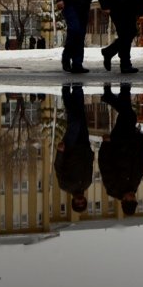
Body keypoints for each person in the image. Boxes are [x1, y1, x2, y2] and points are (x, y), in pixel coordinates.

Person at [99, 83, 143, 216]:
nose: (133, 195)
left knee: (129, 115)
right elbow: (140, 165)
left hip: (117, 143)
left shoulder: (112, 188)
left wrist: (106, 145)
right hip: (132, 141)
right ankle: (122, 90)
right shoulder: (134, 186)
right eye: (134, 198)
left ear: (124, 200)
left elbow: (104, 165)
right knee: (127, 114)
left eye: (131, 198)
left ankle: (115, 94)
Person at [54, 84, 94, 213]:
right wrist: (90, 153)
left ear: (73, 201)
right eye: (83, 202)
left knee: (75, 121)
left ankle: (66, 92)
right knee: (81, 116)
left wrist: (60, 152)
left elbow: (58, 167)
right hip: (84, 145)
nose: (80, 200)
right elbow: (89, 166)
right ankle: (77, 90)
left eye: (78, 202)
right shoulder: (87, 184)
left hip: (70, 147)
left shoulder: (65, 186)